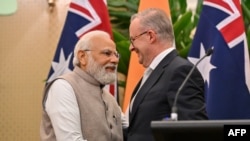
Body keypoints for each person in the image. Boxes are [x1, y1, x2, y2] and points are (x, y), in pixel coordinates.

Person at [125, 8, 208, 141]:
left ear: (151, 36)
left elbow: (195, 129)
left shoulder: (180, 71)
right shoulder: (153, 72)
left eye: (133, 39)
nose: (131, 47)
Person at [40, 30, 125, 141]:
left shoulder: (108, 97)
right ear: (82, 57)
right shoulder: (63, 87)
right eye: (107, 53)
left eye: (116, 54)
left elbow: (132, 127)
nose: (115, 60)